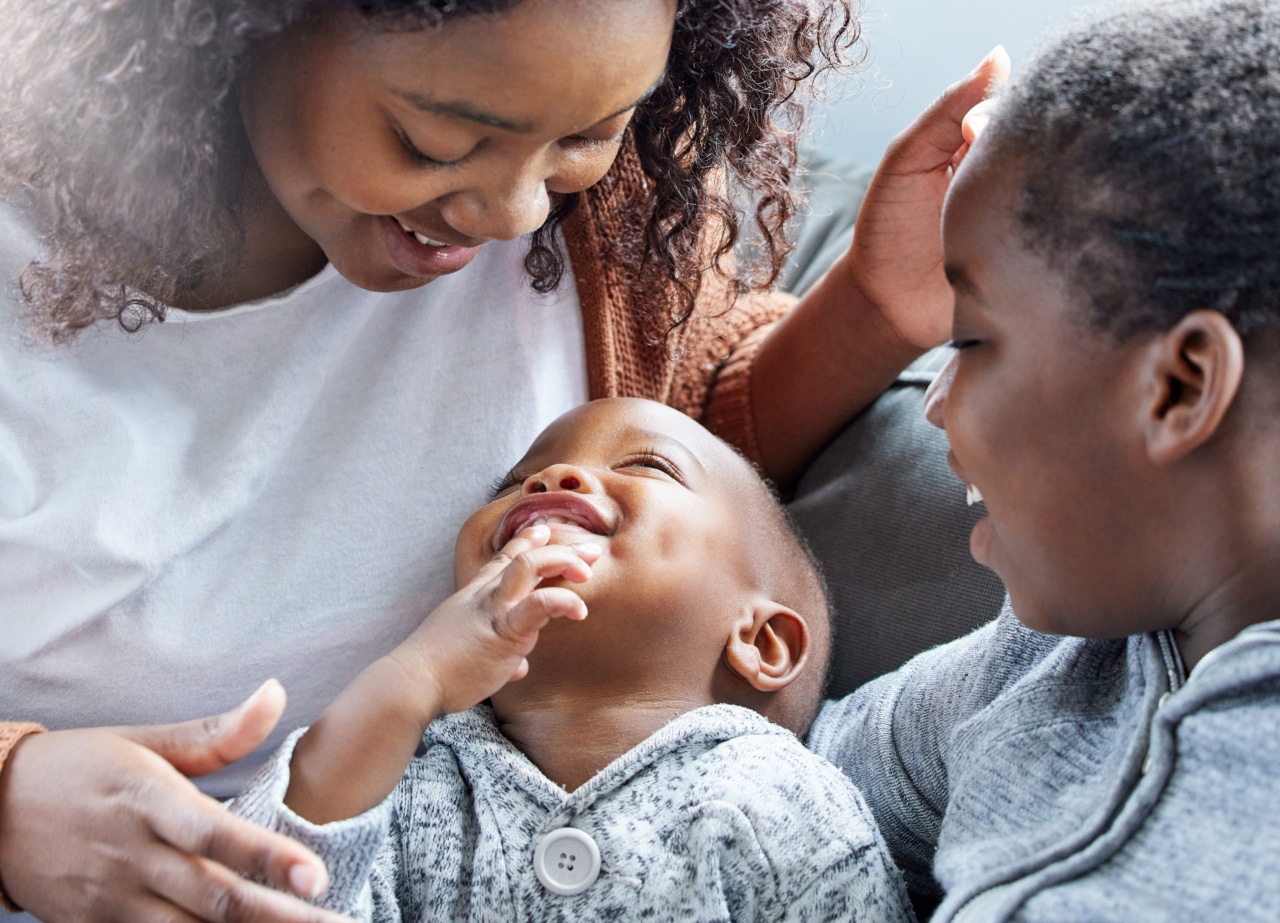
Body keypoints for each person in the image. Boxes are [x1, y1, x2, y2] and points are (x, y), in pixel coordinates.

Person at [0, 0, 1005, 919]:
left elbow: (686, 455)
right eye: (436, 138)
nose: (516, 210)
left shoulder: (608, 213)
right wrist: (11, 791)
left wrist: (872, 309)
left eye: (584, 134)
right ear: (237, 27)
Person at [809, 1, 1280, 919]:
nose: (937, 399)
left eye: (974, 340)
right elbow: (796, 775)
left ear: (1180, 388)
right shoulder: (1036, 664)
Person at [229, 396, 912, 921]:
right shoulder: (406, 781)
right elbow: (252, 892)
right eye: (515, 481)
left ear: (759, 641)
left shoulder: (783, 803)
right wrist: (415, 678)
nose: (552, 477)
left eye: (647, 465)